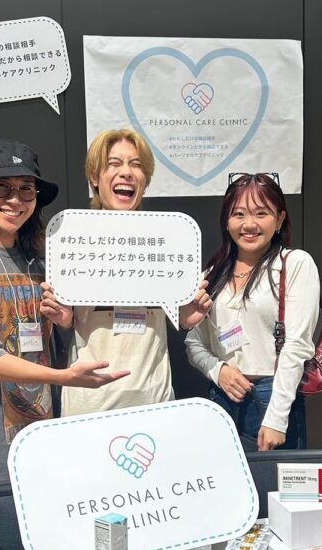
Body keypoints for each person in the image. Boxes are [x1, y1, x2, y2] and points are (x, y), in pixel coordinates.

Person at [0, 139, 129, 550]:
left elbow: (45, 349)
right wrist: (65, 378)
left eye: (26, 189)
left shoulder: (38, 261)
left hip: (40, 464)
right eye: (1, 187)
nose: (15, 200)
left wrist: (63, 323)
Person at [40, 128, 211, 416]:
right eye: (114, 164)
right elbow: (67, 320)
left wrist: (186, 317)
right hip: (90, 402)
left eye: (136, 165)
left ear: (145, 180)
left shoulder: (167, 240)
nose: (126, 173)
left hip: (153, 400)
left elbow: (181, 315)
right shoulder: (72, 239)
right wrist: (64, 320)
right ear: (94, 177)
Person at [185, 172, 320, 451]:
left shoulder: (294, 265)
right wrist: (218, 370)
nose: (249, 224)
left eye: (261, 213)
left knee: (273, 479)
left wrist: (277, 418)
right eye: (239, 214)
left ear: (279, 219)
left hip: (272, 399)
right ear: (227, 221)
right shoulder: (212, 274)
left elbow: (297, 346)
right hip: (221, 400)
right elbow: (193, 342)